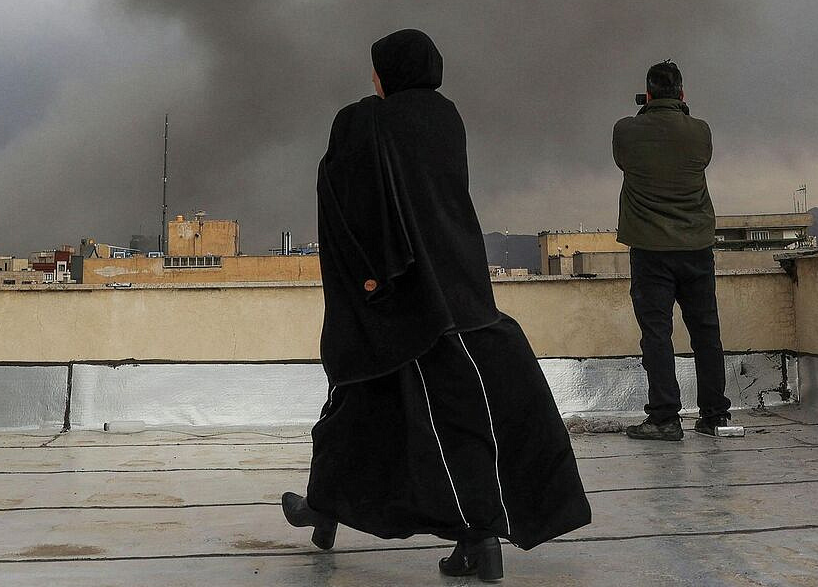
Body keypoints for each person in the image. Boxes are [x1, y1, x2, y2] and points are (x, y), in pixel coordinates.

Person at [282, 29, 591, 582]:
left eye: (376, 71)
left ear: (387, 73)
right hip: (462, 286)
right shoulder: (446, 117)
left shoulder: (367, 121)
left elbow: (345, 193)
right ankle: (324, 509)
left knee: (389, 403)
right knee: (377, 404)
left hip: (405, 299)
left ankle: (477, 536)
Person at [613, 59, 731, 441]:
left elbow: (624, 158)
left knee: (657, 336)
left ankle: (664, 418)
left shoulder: (626, 131)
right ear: (681, 94)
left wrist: (646, 112)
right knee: (706, 334)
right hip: (696, 247)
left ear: (647, 94)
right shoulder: (701, 132)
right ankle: (715, 416)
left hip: (650, 251)